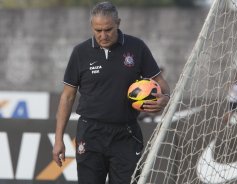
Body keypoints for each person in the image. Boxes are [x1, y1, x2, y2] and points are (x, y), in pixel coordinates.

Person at [52, 2, 170, 184]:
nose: (103, 35)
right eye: (97, 30)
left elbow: (161, 83)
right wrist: (58, 139)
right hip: (90, 133)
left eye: (108, 29)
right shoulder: (80, 52)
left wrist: (165, 98)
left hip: (126, 133)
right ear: (92, 26)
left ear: (118, 23)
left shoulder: (136, 47)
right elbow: (67, 97)